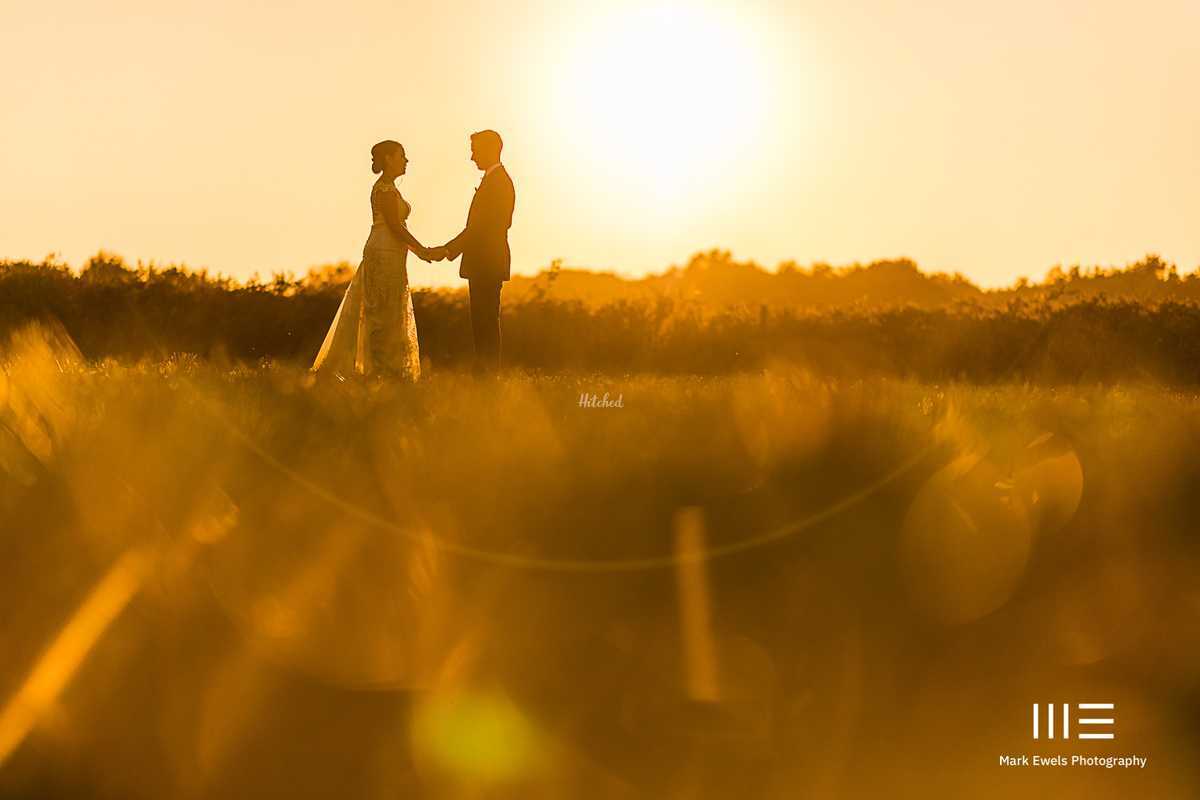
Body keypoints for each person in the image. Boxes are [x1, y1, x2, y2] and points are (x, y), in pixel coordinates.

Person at [311, 140, 438, 380]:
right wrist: (421, 249)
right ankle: (378, 370)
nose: (406, 161)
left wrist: (417, 250)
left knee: (389, 311)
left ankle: (385, 370)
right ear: (389, 159)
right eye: (401, 155)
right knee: (380, 312)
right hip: (383, 253)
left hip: (392, 253)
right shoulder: (385, 190)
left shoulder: (390, 188)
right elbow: (394, 226)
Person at [429, 130, 516, 373]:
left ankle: (487, 375)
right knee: (482, 320)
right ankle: (486, 373)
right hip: (485, 260)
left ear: (490, 149)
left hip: (487, 261)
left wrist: (448, 249)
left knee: (485, 319)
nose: (471, 157)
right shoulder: (494, 180)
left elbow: (481, 227)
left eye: (475, 151)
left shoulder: (499, 182)